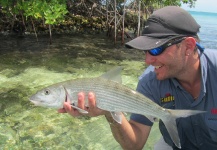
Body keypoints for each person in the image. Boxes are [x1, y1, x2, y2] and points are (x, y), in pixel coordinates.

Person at [58, 6, 217, 150]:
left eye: (155, 50)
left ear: (188, 46)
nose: (147, 61)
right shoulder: (149, 80)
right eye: (145, 51)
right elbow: (134, 145)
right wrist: (110, 110)